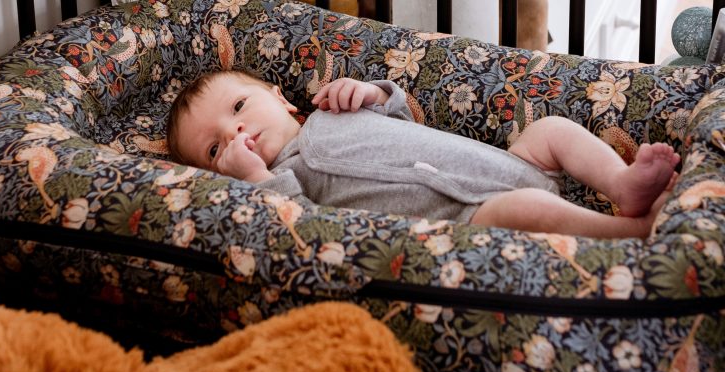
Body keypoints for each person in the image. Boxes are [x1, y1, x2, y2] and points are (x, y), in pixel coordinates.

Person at [165, 69, 680, 238]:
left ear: (279, 98)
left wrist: (370, 92)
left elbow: (404, 120)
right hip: (469, 215)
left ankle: (620, 184)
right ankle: (628, 232)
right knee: (521, 211)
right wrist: (254, 178)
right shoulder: (283, 182)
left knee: (552, 129)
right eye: (215, 148)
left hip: (512, 164)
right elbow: (302, 226)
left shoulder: (329, 111)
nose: (235, 131)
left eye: (238, 106)